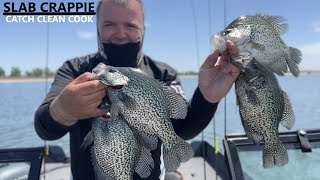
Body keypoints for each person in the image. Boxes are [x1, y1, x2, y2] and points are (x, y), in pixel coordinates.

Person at [34, 0, 240, 179]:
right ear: (97, 27)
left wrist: (206, 98)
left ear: (143, 29)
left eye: (130, 25)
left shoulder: (162, 73)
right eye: (109, 24)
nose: (121, 33)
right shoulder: (75, 70)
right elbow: (44, 128)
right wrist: (63, 109)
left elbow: (181, 130)